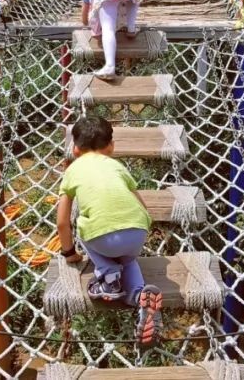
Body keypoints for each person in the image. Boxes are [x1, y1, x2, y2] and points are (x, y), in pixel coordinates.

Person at [56, 116, 162, 348]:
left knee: (84, 223)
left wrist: (69, 253)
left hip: (101, 237)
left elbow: (63, 222)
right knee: (129, 259)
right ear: (111, 146)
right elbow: (142, 207)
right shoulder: (118, 167)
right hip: (136, 232)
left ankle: (109, 273)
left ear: (75, 149)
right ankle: (138, 296)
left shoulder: (73, 170)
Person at [81, 0, 142, 79]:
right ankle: (131, 28)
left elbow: (86, 2)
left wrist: (84, 21)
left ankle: (109, 66)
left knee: (108, 28)